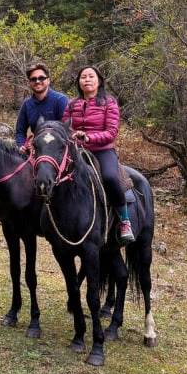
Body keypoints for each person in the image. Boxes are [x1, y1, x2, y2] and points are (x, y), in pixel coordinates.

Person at [64, 65, 133, 245]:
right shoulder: (72, 104)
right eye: (83, 77)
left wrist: (88, 137)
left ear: (99, 81)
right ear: (78, 82)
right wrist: (72, 135)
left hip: (103, 150)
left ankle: (124, 221)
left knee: (110, 177)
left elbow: (111, 132)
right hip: (77, 149)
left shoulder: (109, 102)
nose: (87, 79)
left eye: (91, 76)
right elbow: (65, 127)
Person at [15, 61, 69, 150]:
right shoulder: (27, 104)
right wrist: (21, 145)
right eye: (33, 79)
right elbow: (20, 131)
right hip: (36, 149)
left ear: (48, 80)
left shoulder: (61, 100)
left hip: (58, 150)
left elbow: (67, 130)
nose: (37, 81)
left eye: (41, 78)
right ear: (29, 82)